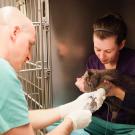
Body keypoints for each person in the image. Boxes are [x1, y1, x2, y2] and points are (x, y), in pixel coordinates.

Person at [0, 6, 106, 135]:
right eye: (30, 44)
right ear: (15, 32)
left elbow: (19, 120)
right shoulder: (3, 71)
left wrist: (68, 108)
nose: (29, 57)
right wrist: (70, 123)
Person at [75, 13, 135, 135]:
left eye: (108, 51)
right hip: (97, 122)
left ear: (121, 44)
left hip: (127, 126)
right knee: (58, 124)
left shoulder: (132, 61)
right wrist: (85, 88)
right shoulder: (92, 60)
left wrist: (115, 91)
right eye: (97, 49)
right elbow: (91, 100)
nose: (101, 56)